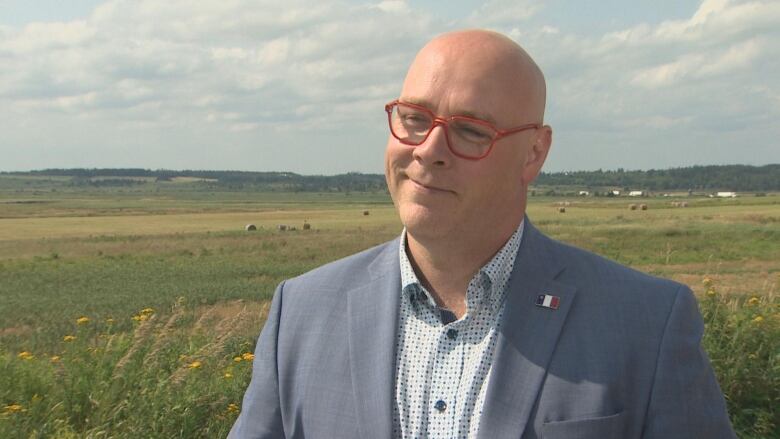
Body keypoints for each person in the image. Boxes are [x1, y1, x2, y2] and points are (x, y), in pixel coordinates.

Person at [229, 29, 736, 439]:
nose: (429, 149)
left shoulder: (646, 323)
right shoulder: (301, 312)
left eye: (471, 131)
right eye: (413, 118)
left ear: (534, 153)